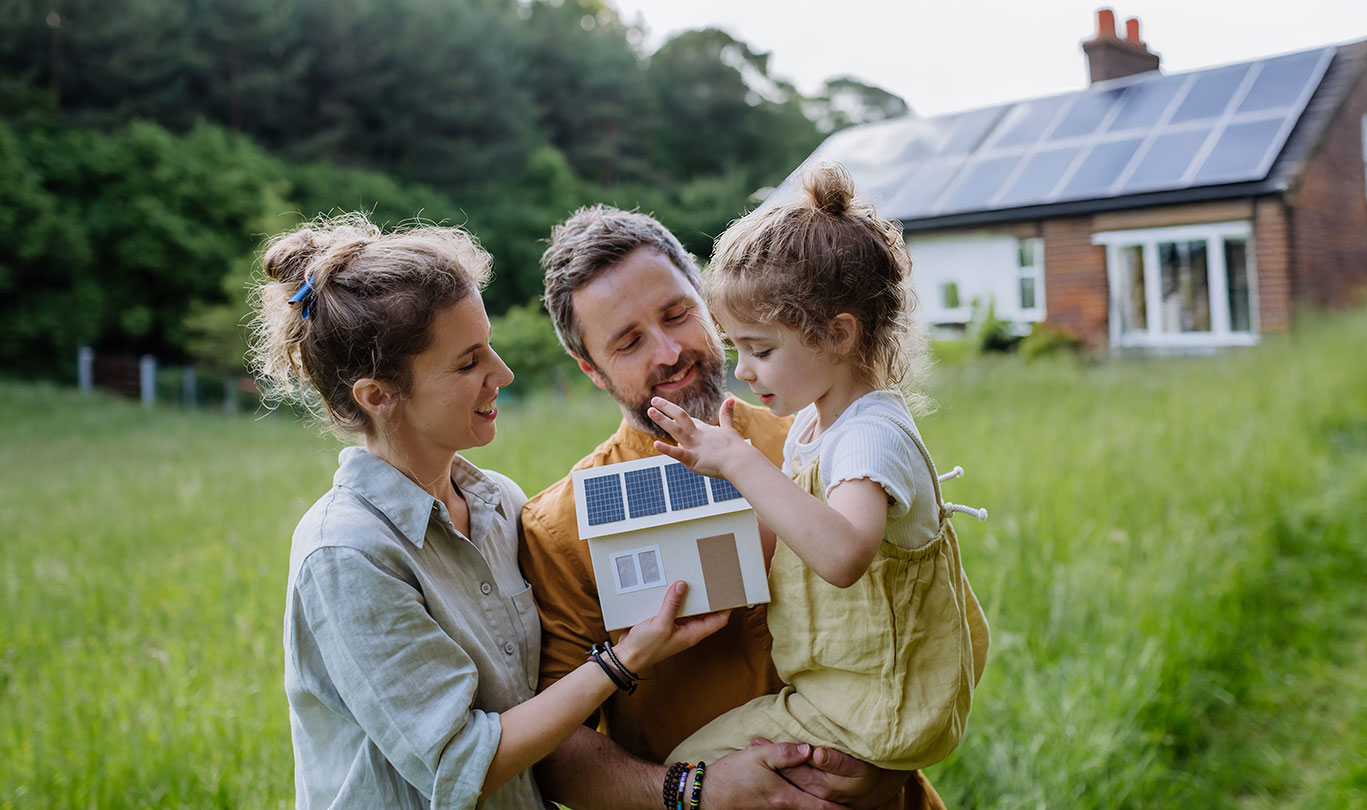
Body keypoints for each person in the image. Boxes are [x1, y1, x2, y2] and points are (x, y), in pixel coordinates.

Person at [251, 214, 725, 810]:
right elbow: (460, 764)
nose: (501, 373)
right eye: (467, 362)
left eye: (489, 347)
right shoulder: (347, 553)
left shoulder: (500, 503)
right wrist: (625, 660)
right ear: (378, 396)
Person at [519, 205, 948, 809]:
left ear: (708, 301)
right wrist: (699, 791)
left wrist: (889, 764)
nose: (669, 352)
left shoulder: (820, 435)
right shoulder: (559, 528)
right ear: (591, 370)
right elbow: (556, 753)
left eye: (677, 314)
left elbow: (923, 611)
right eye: (629, 342)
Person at [647, 162, 990, 772]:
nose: (744, 371)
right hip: (842, 690)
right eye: (737, 349)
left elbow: (840, 556)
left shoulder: (868, 438)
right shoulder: (816, 421)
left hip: (879, 706)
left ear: (837, 336)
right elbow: (783, 539)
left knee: (686, 768)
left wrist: (740, 463)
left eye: (761, 349)